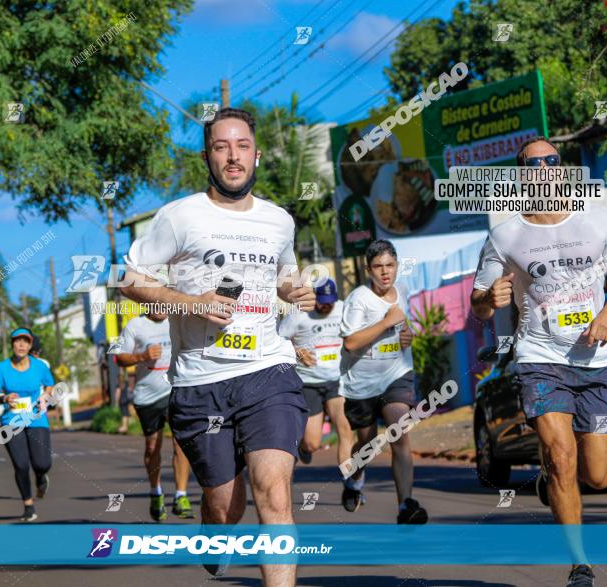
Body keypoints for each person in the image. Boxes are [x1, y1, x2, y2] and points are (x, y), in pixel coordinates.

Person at [121, 107, 315, 584]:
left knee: (275, 494)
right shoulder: (180, 216)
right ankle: (214, 528)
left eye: (242, 146)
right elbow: (130, 281)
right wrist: (190, 303)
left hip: (268, 372)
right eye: (222, 147)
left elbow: (284, 273)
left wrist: (294, 289)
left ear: (257, 154)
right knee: (226, 503)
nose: (233, 157)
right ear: (207, 155)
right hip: (200, 383)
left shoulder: (279, 221)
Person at [470, 137, 607, 587]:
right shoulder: (505, 234)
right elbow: (479, 305)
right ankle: (580, 564)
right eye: (532, 163)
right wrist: (489, 297)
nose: (543, 168)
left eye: (551, 161)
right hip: (540, 358)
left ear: (562, 169)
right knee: (562, 457)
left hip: (596, 360)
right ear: (522, 175)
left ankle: (550, 478)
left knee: (599, 476)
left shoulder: (597, 220)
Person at [339, 239, 427, 524]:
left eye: (390, 265)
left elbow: (404, 328)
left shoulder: (403, 291)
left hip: (396, 375)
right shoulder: (359, 299)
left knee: (399, 431)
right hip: (361, 384)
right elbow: (351, 342)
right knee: (365, 445)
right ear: (368, 270)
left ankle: (406, 506)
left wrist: (407, 336)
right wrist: (387, 323)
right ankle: (354, 481)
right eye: (378, 266)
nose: (385, 272)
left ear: (397, 266)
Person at [114, 307, 195, 521]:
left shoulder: (178, 320)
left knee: (181, 443)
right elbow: (119, 358)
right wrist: (142, 356)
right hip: (147, 395)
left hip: (175, 389)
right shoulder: (135, 325)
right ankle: (156, 492)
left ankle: (181, 495)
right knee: (152, 447)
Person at [277, 279, 353, 468]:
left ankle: (352, 487)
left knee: (346, 429)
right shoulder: (299, 314)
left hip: (337, 380)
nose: (327, 305)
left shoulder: (344, 309)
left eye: (331, 300)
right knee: (313, 443)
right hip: (309, 382)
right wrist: (297, 351)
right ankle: (303, 447)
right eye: (322, 300)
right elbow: (277, 340)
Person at [0, 328, 56, 522]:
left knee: (42, 463)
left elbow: (49, 384)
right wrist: (4, 397)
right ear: (12, 344)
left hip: (36, 419)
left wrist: (46, 395)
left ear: (30, 344)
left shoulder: (39, 366)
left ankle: (41, 476)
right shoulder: (1, 368)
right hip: (11, 421)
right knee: (20, 465)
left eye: (24, 341)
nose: (20, 345)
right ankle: (28, 505)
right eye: (17, 341)